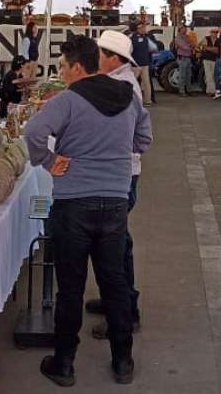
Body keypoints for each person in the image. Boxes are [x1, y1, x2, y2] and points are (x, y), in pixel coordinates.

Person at [25, 34, 151, 386]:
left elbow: (33, 132)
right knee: (115, 282)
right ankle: (123, 361)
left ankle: (64, 363)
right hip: (114, 201)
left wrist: (50, 161)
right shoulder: (129, 96)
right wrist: (120, 149)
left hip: (73, 204)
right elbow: (145, 139)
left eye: (63, 67)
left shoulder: (68, 100)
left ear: (79, 68)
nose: (61, 73)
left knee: (71, 287)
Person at [89, 29, 147, 340]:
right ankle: (117, 301)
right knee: (114, 241)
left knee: (114, 245)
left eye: (99, 54)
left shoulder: (122, 88)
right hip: (121, 170)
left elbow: (136, 135)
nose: (95, 59)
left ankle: (124, 312)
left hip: (119, 174)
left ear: (113, 59)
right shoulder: (119, 82)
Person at [126, 21, 158, 106]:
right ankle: (130, 100)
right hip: (136, 65)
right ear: (138, 28)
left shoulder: (139, 37)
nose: (145, 29)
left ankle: (147, 101)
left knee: (144, 84)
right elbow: (154, 48)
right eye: (143, 27)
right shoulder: (132, 37)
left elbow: (154, 48)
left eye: (145, 27)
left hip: (142, 64)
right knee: (133, 83)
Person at [172, 25, 195, 97]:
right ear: (180, 29)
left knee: (188, 75)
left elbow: (193, 44)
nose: (185, 30)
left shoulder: (187, 37)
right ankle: (181, 91)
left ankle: (189, 90)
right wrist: (190, 46)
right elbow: (184, 47)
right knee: (182, 75)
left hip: (188, 57)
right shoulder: (178, 38)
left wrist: (191, 45)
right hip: (182, 58)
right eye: (183, 29)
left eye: (186, 28)